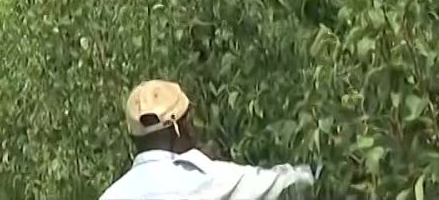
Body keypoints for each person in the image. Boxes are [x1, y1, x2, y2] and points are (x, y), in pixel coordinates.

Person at [99, 80, 318, 200]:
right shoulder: (205, 180)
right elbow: (284, 184)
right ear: (180, 127)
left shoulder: (112, 196)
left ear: (132, 138)